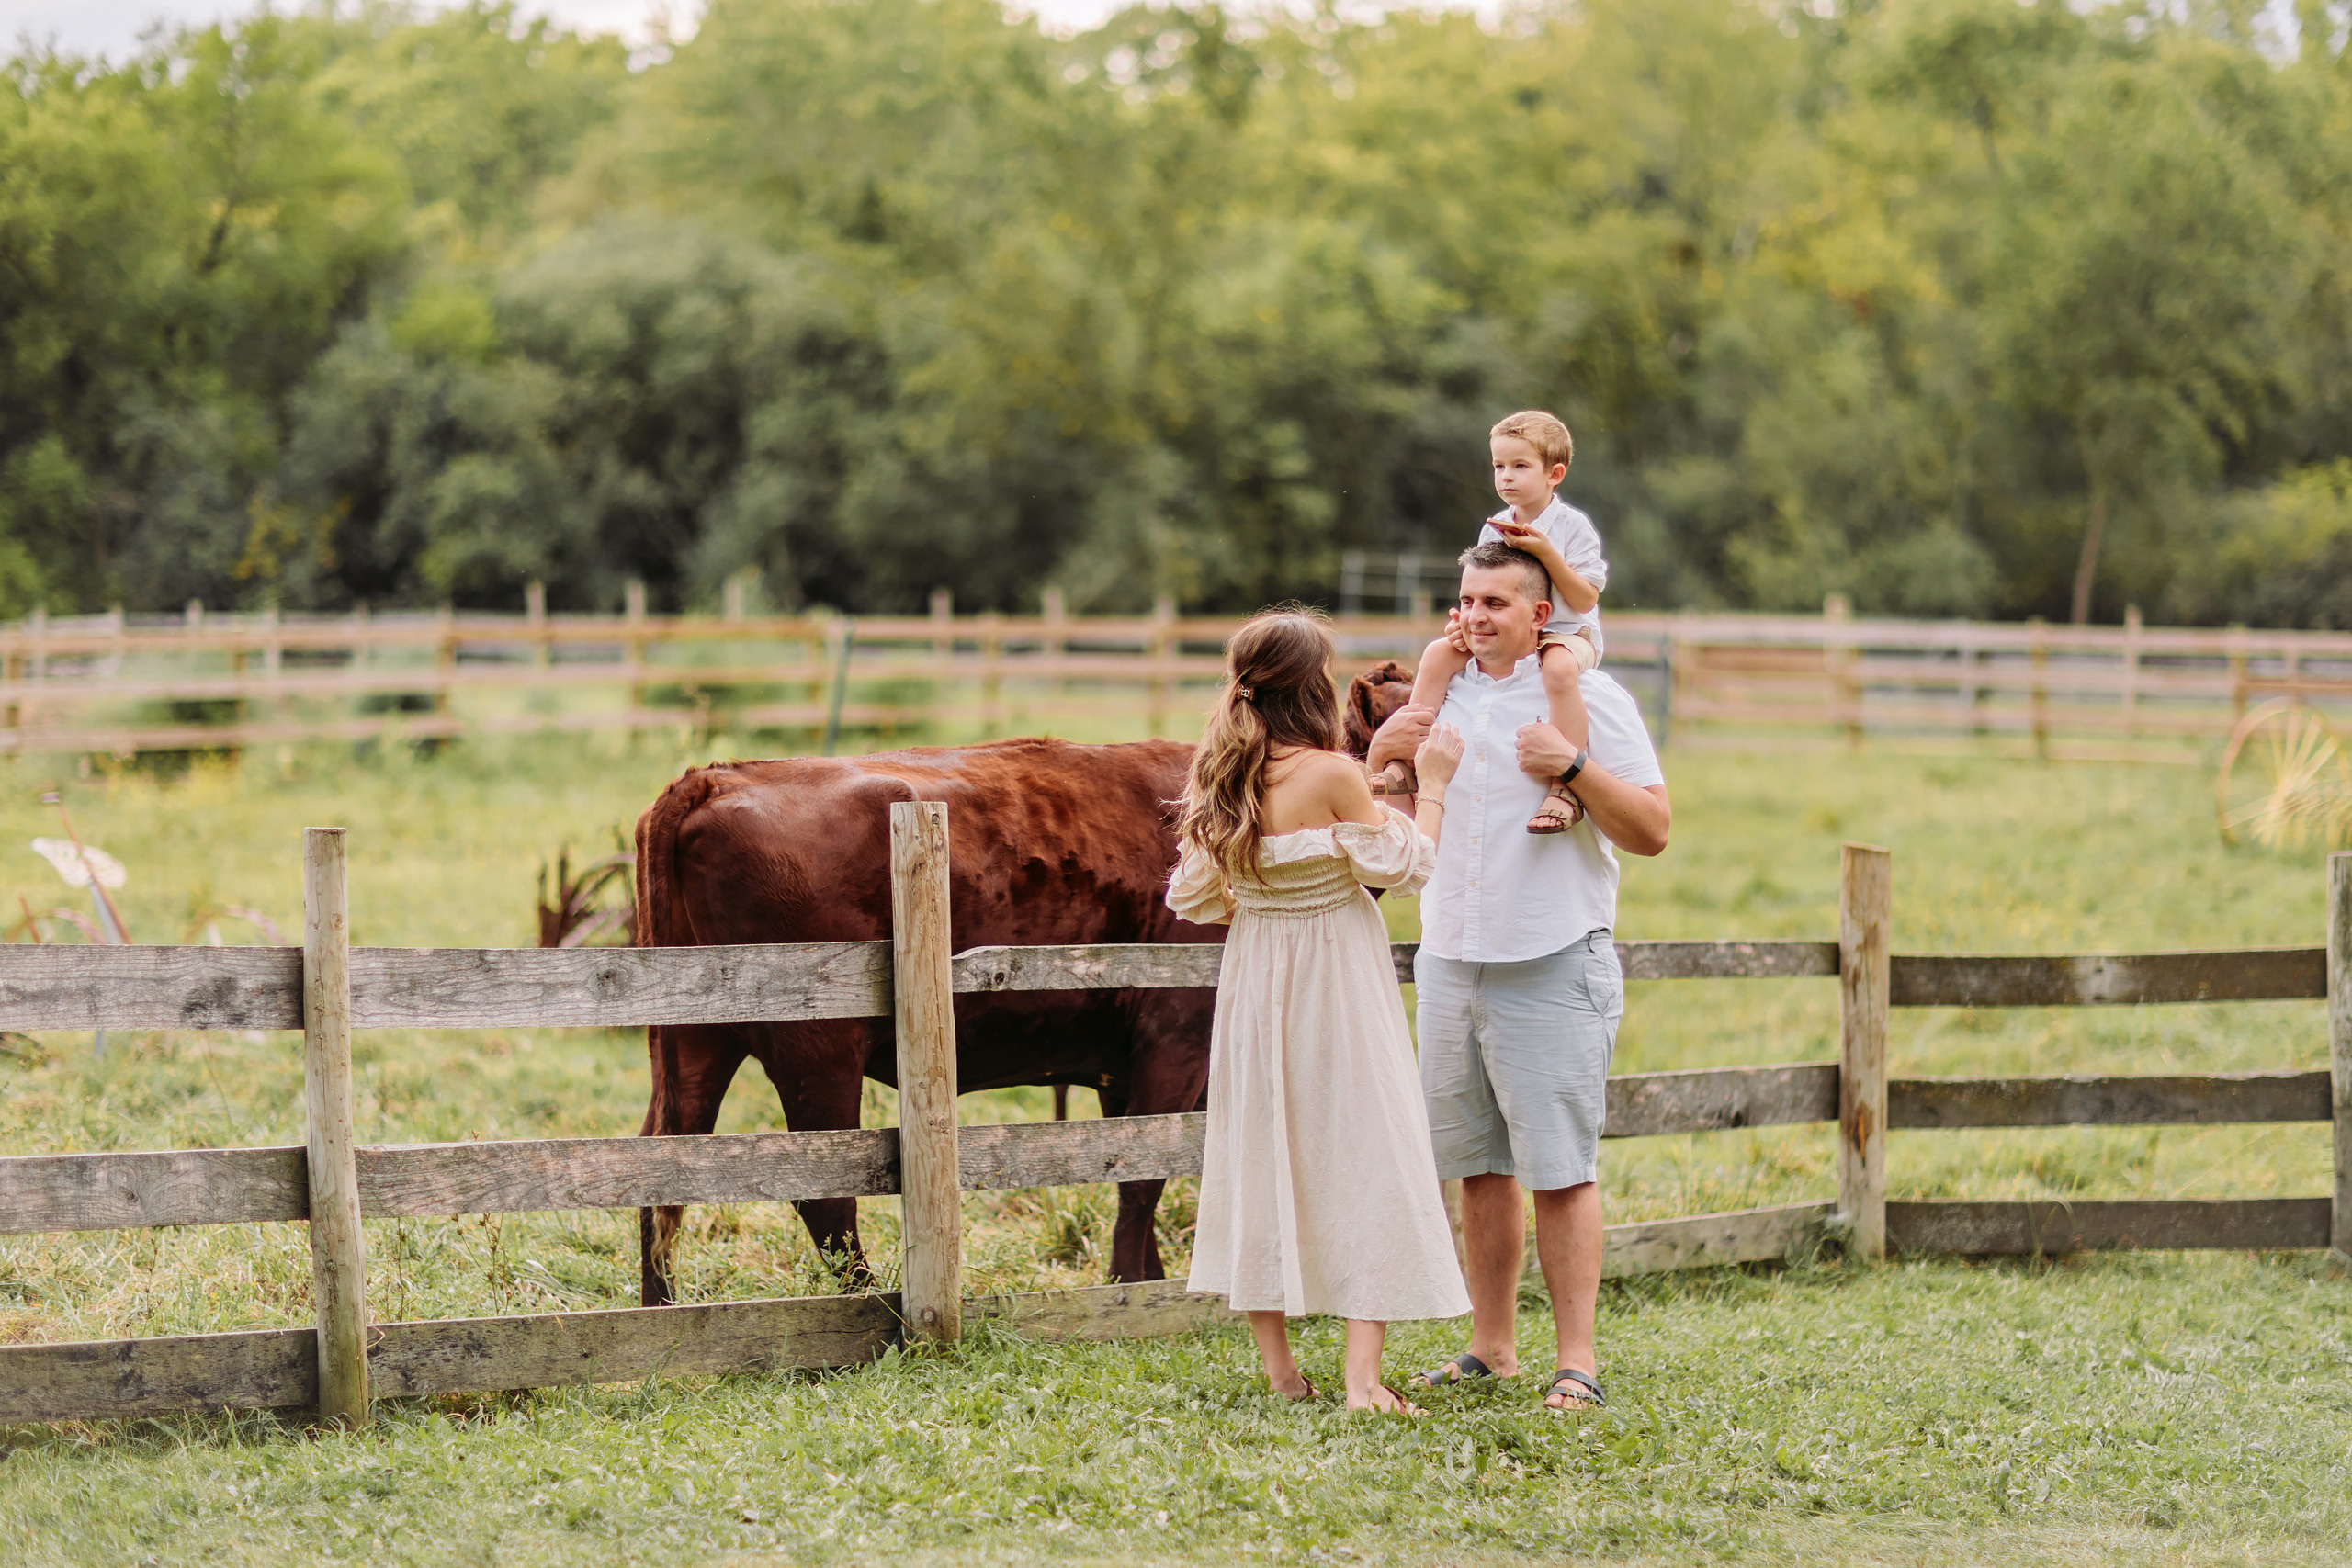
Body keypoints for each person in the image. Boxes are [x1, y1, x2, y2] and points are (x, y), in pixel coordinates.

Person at [1364, 541, 1670, 1414]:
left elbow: (1651, 828)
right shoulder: (1438, 700)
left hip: (1551, 952)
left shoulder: (1587, 696)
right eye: (1467, 599)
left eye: (1497, 601)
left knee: (1560, 1167)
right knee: (1478, 1166)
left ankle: (1576, 1360)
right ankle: (1490, 1346)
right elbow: (1385, 817)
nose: (1476, 615)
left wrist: (1569, 767)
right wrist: (1384, 752)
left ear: (1541, 614)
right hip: (1453, 956)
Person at [1167, 609, 1473, 1415]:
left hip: (1257, 973)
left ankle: (1282, 1375)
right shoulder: (1333, 773)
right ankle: (1362, 1380)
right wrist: (1430, 783)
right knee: (1363, 1148)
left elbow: (1198, 895)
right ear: (1312, 687)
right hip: (1336, 974)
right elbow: (1408, 867)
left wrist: (1272, 899)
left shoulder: (1218, 775)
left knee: (1264, 1151)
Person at [1372, 410, 1608, 836]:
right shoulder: (1493, 528)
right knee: (1439, 653)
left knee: (1556, 668)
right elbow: (1483, 583)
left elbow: (1585, 597)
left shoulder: (1573, 528)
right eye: (1499, 466)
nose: (1506, 477)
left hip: (1569, 633)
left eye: (1520, 466)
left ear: (1555, 473)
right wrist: (1466, 620)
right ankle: (1409, 761)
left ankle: (1564, 785)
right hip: (1511, 629)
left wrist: (1547, 553)